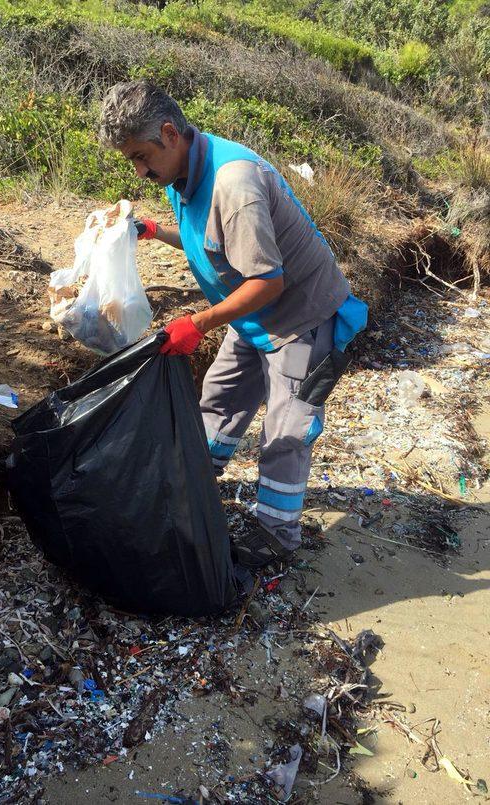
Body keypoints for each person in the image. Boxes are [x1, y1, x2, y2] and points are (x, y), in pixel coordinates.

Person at [99, 81, 368, 569]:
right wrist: (153, 231)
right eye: (130, 161)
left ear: (169, 133)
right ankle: (197, 483)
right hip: (251, 320)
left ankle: (276, 536)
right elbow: (212, 241)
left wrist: (198, 324)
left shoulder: (233, 184)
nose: (139, 171)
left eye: (141, 156)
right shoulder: (183, 173)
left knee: (285, 434)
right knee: (218, 402)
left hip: (301, 320)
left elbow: (267, 280)